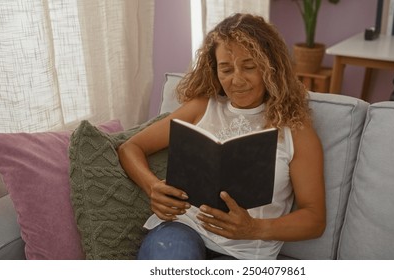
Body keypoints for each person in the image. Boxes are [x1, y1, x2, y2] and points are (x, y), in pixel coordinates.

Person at [117, 13, 326, 260]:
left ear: (271, 66)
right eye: (225, 69)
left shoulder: (295, 129)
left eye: (249, 66)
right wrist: (152, 186)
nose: (236, 80)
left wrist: (254, 228)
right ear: (214, 70)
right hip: (182, 230)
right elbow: (131, 147)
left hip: (245, 253)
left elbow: (314, 218)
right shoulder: (202, 107)